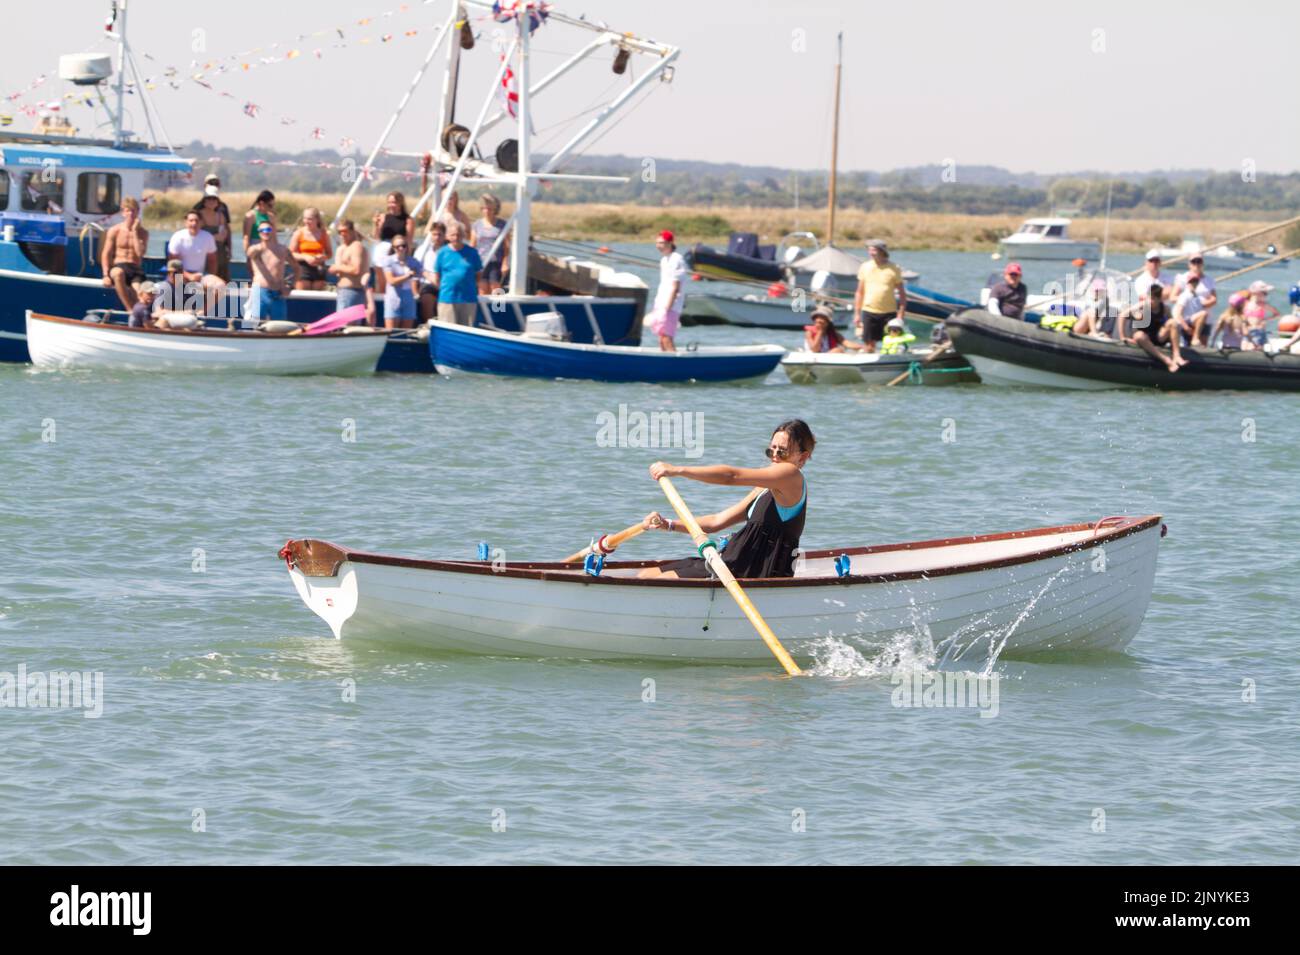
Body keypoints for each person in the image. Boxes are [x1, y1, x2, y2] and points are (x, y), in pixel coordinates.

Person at [638, 419, 815, 580]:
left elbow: (731, 476)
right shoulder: (764, 487)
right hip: (730, 562)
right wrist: (668, 524)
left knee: (652, 580)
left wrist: (677, 470)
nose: (775, 456)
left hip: (751, 573)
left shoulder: (791, 475)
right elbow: (716, 521)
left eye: (782, 451)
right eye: (771, 449)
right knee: (645, 574)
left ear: (803, 456)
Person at [1118, 283, 1187, 373]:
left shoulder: (1165, 308)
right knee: (1139, 335)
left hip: (1158, 336)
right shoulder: (1141, 306)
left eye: (1153, 299)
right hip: (1143, 338)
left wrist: (1173, 339)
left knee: (1173, 322)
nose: (1150, 301)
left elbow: (1173, 326)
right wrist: (1122, 336)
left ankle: (1177, 355)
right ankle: (1166, 360)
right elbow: (1122, 315)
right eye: (1149, 298)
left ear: (1159, 299)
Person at [854, 239, 907, 352]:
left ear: (882, 251)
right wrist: (857, 314)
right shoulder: (865, 266)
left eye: (874, 250)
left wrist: (901, 313)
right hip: (869, 311)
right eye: (869, 250)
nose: (871, 253)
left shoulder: (894, 268)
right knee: (869, 345)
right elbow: (859, 292)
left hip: (889, 312)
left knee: (891, 344)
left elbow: (902, 294)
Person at [167, 211, 226, 314]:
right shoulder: (177, 237)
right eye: (191, 220)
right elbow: (172, 263)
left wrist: (209, 277)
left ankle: (202, 312)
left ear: (201, 223)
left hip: (199, 274)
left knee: (221, 286)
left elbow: (213, 261)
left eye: (196, 221)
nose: (194, 223)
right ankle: (176, 311)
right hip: (180, 273)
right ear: (186, 222)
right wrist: (188, 276)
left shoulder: (207, 237)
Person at [100, 196, 149, 309]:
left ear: (137, 212)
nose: (131, 213)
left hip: (135, 269)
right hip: (119, 266)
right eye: (128, 210)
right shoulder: (115, 230)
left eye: (133, 210)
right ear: (123, 212)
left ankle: (140, 319)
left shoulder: (143, 233)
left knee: (138, 293)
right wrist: (105, 275)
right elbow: (106, 254)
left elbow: (140, 253)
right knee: (118, 273)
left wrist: (135, 232)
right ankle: (130, 310)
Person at [245, 220, 297, 323]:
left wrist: (291, 286)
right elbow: (249, 253)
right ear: (259, 233)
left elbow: (297, 268)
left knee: (279, 326)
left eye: (268, 229)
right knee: (254, 325)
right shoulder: (255, 250)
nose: (265, 232)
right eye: (262, 230)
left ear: (273, 231)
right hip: (260, 292)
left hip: (278, 293)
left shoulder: (283, 250)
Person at [432, 223, 482, 325]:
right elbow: (437, 276)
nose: (456, 237)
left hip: (468, 298)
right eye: (453, 235)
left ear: (463, 235)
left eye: (459, 234)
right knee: (447, 330)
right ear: (447, 236)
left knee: (467, 331)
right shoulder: (442, 252)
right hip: (447, 298)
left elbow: (478, 274)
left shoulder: (472, 252)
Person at [647, 229, 687, 352]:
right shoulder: (664, 260)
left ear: (670, 243)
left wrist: (667, 308)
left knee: (667, 337)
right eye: (657, 243)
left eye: (662, 243)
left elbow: (676, 287)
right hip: (661, 302)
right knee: (661, 337)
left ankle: (676, 365)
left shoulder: (677, 259)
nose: (658, 246)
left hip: (671, 305)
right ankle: (665, 362)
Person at [191, 174, 233, 280]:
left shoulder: (222, 210)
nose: (211, 201)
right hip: (202, 250)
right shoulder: (197, 211)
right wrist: (213, 237)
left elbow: (226, 231)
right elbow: (193, 232)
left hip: (219, 250)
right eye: (209, 199)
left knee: (221, 280)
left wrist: (229, 248)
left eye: (214, 199)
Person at [1172, 254, 1217, 344]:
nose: (1196, 264)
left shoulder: (1209, 280)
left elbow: (1214, 299)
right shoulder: (1182, 278)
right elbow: (1172, 297)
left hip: (1205, 317)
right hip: (1188, 316)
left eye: (1199, 261)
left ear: (1202, 263)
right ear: (1189, 264)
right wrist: (1189, 301)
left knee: (1203, 343)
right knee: (1187, 341)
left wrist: (1201, 303)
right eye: (1194, 261)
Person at [329, 219, 370, 313]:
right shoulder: (343, 248)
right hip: (343, 291)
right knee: (342, 325)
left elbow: (356, 270)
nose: (342, 234)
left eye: (345, 231)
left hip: (352, 291)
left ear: (352, 231)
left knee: (345, 325)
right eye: (340, 232)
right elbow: (339, 273)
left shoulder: (356, 246)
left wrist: (337, 267)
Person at [472, 193, 510, 294]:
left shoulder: (502, 224)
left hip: (496, 262)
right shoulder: (477, 225)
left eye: (490, 209)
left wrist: (505, 263)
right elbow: (472, 246)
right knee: (482, 291)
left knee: (496, 291)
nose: (487, 211)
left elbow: (506, 246)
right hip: (481, 263)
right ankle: (483, 310)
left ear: (495, 209)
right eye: (485, 208)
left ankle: (498, 310)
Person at [381, 235, 422, 329]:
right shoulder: (388, 261)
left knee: (406, 332)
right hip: (393, 299)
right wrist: (408, 275)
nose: (401, 248)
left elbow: (421, 273)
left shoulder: (413, 261)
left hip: (408, 298)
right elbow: (391, 281)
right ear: (393, 248)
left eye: (403, 245)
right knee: (390, 332)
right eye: (397, 246)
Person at [289, 207, 333, 291]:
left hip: (319, 268)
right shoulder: (298, 233)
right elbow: (290, 254)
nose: (306, 221)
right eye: (304, 218)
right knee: (302, 295)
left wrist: (322, 257)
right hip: (303, 268)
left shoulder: (324, 234)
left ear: (317, 219)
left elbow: (329, 254)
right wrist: (305, 257)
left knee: (318, 297)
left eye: (309, 219)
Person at [416, 221, 447, 324]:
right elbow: (416, 269)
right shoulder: (423, 250)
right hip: (428, 284)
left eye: (439, 234)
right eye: (434, 234)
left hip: (446, 284)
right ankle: (429, 326)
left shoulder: (449, 250)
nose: (437, 237)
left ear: (444, 235)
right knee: (426, 299)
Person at [1172, 275, 1210, 347]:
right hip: (1186, 322)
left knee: (1206, 315)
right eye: (1191, 282)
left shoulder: (1198, 297)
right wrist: (1185, 326)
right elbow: (1178, 313)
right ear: (1187, 283)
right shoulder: (1184, 296)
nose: (1194, 284)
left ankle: (1198, 341)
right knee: (1204, 313)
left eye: (1196, 282)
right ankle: (1195, 338)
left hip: (1193, 323)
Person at [1242, 280, 1279, 350]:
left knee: (1255, 351)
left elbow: (1277, 314)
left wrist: (1264, 320)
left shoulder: (1263, 305)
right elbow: (1241, 315)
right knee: (1243, 350)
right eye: (1265, 293)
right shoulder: (1246, 303)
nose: (1266, 295)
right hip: (1246, 331)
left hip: (1258, 331)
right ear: (1257, 293)